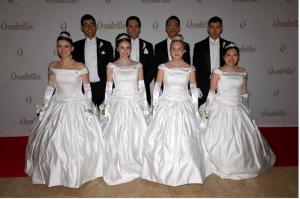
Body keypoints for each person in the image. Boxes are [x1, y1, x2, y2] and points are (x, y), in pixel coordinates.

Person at [25, 31, 104, 188]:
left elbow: (87, 89)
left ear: (72, 48)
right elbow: (50, 87)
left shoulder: (80, 66)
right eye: (59, 46)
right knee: (54, 141)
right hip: (58, 103)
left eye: (66, 46)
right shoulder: (52, 66)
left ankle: (80, 171)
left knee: (78, 141)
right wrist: (45, 106)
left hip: (77, 104)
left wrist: (88, 109)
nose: (63, 49)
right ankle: (56, 173)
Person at [142, 35, 211, 186]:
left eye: (179, 49)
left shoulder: (190, 68)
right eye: (173, 49)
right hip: (166, 104)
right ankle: (160, 169)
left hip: (183, 104)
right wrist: (154, 107)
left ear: (184, 50)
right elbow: (157, 89)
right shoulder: (163, 67)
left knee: (186, 137)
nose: (176, 51)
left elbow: (193, 91)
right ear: (170, 50)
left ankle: (187, 170)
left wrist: (194, 111)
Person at [200, 43, 276, 180]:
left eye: (235, 55)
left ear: (238, 57)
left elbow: (244, 93)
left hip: (238, 107)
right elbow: (211, 94)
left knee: (244, 138)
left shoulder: (243, 71)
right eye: (228, 55)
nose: (231, 58)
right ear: (223, 57)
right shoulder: (218, 72)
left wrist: (247, 110)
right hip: (221, 107)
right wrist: (206, 113)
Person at [101, 33, 148, 185]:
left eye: (128, 47)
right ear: (117, 48)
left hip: (134, 102)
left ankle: (138, 163)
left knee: (136, 134)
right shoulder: (111, 66)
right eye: (122, 47)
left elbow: (141, 87)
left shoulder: (137, 65)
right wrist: (107, 107)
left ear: (131, 48)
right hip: (118, 102)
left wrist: (145, 107)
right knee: (118, 134)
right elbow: (109, 88)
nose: (125, 50)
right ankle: (120, 164)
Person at [73, 14, 113, 107]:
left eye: (91, 24)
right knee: (85, 117)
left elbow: (111, 67)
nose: (89, 27)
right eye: (85, 25)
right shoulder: (75, 46)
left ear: (96, 27)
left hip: (102, 87)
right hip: (83, 87)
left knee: (104, 116)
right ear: (82, 28)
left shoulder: (106, 45)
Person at [114, 16, 154, 105]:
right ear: (127, 29)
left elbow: (152, 68)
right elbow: (116, 66)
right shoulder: (120, 45)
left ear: (139, 29)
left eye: (136, 26)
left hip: (142, 88)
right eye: (130, 26)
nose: (133, 29)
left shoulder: (148, 45)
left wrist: (142, 83)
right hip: (124, 90)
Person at [193, 16, 232, 106]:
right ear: (208, 29)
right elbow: (196, 68)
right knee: (204, 115)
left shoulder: (228, 45)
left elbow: (232, 67)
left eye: (217, 27)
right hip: (204, 86)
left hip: (224, 85)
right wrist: (197, 87)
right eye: (212, 27)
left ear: (221, 29)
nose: (214, 30)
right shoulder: (198, 46)